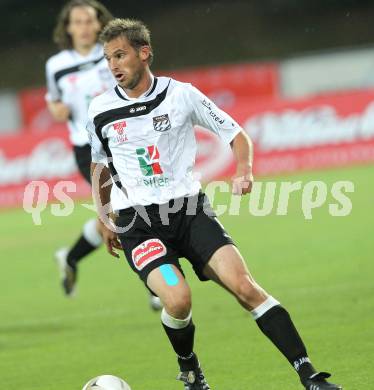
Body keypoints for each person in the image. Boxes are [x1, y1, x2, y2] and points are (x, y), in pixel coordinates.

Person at [87, 18, 343, 390]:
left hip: (190, 213)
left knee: (246, 287)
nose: (113, 65)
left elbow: (236, 134)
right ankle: (190, 368)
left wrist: (245, 169)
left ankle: (310, 376)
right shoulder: (101, 110)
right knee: (177, 299)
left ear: (144, 54)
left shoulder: (181, 95)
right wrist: (104, 215)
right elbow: (99, 165)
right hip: (137, 223)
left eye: (120, 55)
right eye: (108, 58)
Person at [45, 1, 163, 310]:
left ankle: (70, 257)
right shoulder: (56, 65)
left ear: (99, 24)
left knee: (120, 212)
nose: (83, 26)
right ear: (68, 28)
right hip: (88, 149)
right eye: (77, 22)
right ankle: (155, 287)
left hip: (124, 139)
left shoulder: (112, 54)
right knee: (124, 210)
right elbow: (55, 104)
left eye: (88, 20)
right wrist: (58, 110)